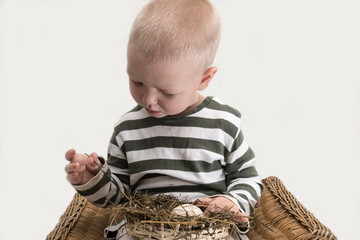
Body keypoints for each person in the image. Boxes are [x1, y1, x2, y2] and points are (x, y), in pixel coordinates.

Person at [64, 0, 263, 239]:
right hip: (145, 229)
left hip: (209, 229)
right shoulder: (127, 129)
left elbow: (247, 178)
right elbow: (118, 196)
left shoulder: (224, 123)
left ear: (204, 79)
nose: (148, 100)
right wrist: (93, 179)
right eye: (137, 82)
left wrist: (231, 201)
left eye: (166, 92)